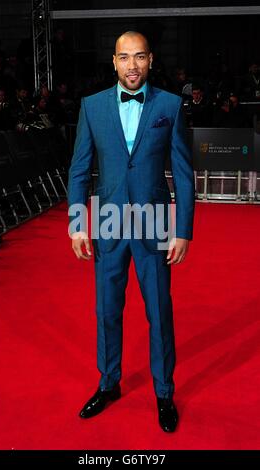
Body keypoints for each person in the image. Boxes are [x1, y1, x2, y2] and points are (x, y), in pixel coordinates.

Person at [68, 31, 195, 433]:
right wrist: (77, 224)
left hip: (154, 223)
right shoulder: (91, 107)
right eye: (125, 58)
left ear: (151, 60)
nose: (133, 65)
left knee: (159, 312)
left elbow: (184, 175)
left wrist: (184, 230)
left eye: (140, 57)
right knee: (106, 311)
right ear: (114, 61)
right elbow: (78, 170)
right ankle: (108, 384)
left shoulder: (170, 106)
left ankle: (163, 392)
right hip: (106, 222)